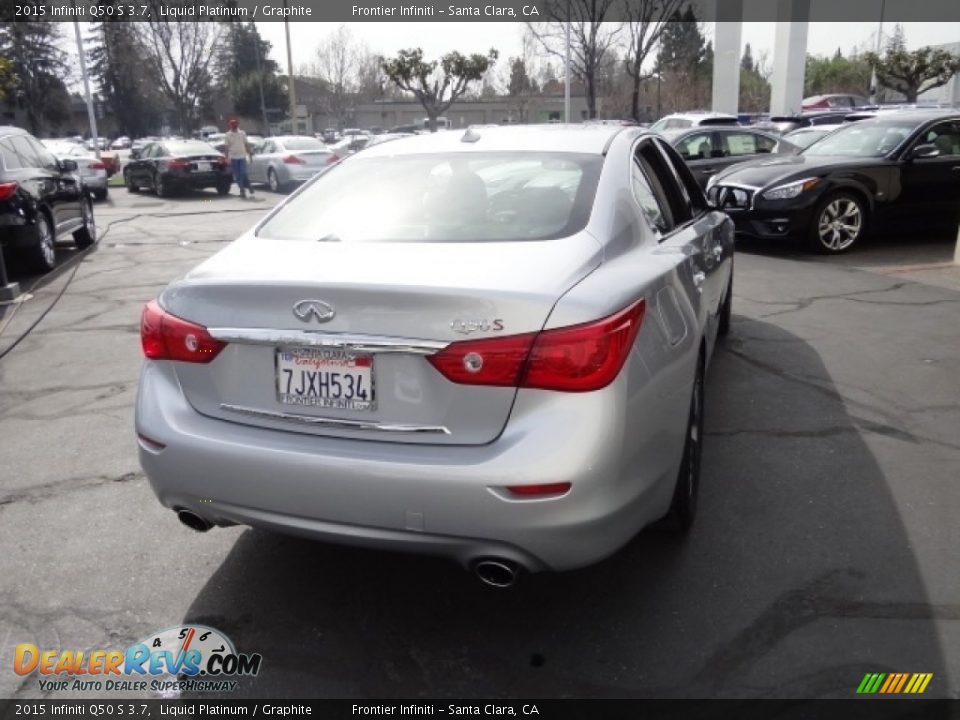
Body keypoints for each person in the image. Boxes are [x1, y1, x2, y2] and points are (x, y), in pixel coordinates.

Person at [224, 118, 254, 198]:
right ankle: (242, 190)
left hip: (242, 156)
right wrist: (226, 158)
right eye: (232, 125)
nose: (234, 126)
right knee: (238, 175)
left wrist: (250, 154)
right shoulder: (227, 135)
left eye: (235, 124)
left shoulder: (242, 133)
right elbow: (226, 147)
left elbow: (246, 144)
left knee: (243, 173)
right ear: (230, 126)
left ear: (237, 125)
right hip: (234, 158)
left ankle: (247, 186)